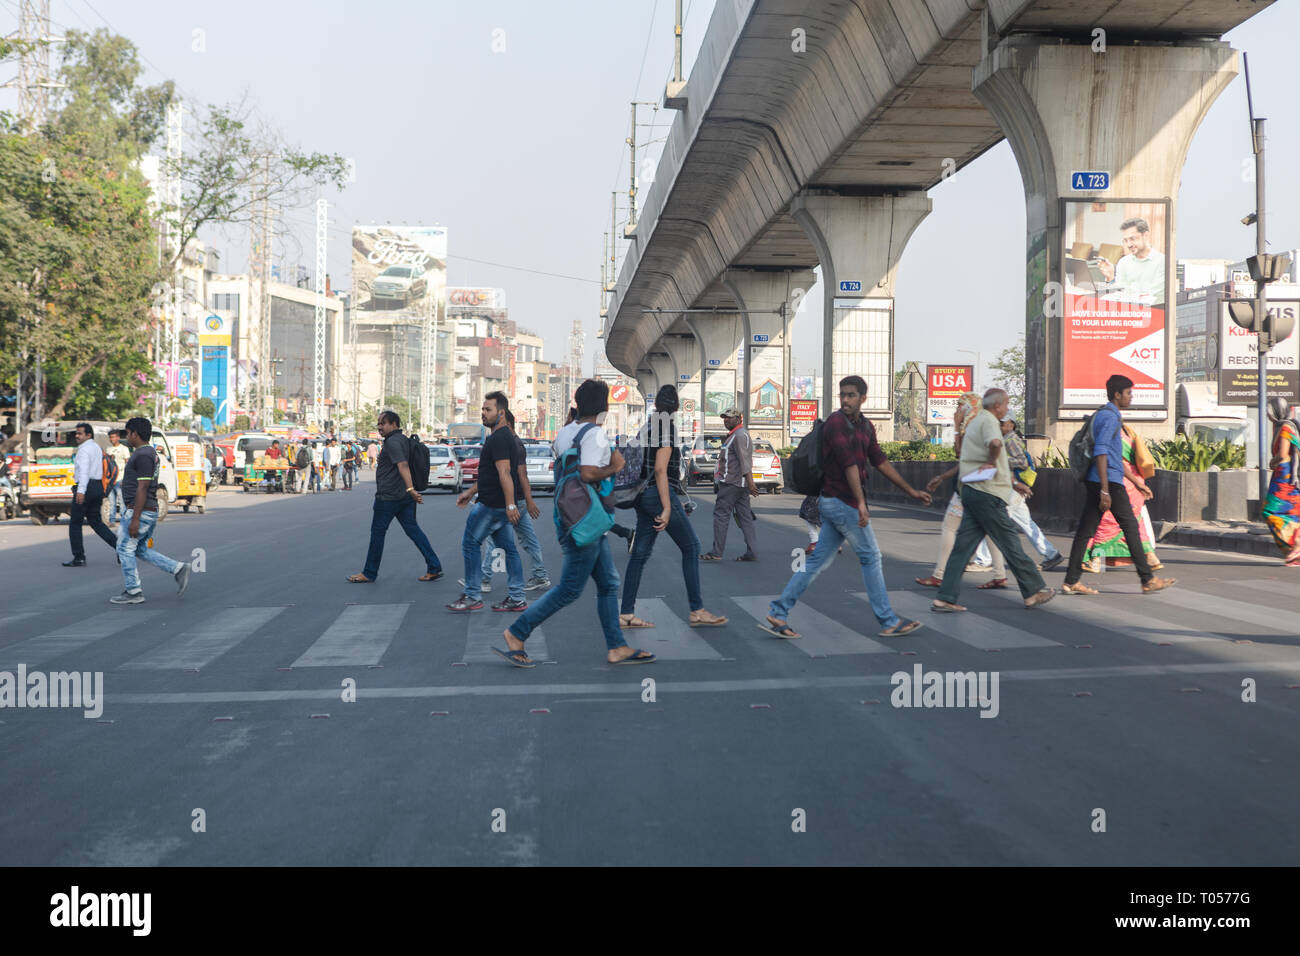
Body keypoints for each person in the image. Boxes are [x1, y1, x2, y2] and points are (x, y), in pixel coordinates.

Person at [495, 379, 655, 667]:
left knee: (608, 582)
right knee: (570, 588)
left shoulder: (566, 432)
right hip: (585, 520)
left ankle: (617, 646)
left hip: (574, 517)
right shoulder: (594, 435)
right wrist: (615, 467)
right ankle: (517, 632)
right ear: (604, 407)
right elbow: (588, 473)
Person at [762, 376, 931, 639]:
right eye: (842, 395)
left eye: (851, 395)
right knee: (871, 557)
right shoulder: (836, 423)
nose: (845, 400)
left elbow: (880, 461)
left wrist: (911, 491)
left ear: (863, 398)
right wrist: (861, 504)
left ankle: (779, 610)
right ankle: (888, 620)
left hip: (836, 504)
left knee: (817, 560)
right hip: (842, 502)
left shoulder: (865, 426)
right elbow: (849, 464)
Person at [930, 390, 1056, 612]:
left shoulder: (975, 423)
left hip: (971, 490)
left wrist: (1010, 481)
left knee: (962, 548)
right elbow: (996, 445)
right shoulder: (989, 421)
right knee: (1010, 542)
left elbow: (967, 457)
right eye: (1006, 404)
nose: (1007, 409)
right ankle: (1034, 590)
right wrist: (991, 464)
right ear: (997, 405)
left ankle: (945, 597)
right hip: (988, 493)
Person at [619, 385, 729, 629]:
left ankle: (626, 612)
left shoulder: (648, 424)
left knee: (639, 555)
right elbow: (660, 469)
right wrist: (668, 507)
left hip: (641, 495)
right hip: (658, 495)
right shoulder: (665, 427)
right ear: (676, 407)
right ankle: (697, 609)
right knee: (691, 547)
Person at [1061, 375, 1176, 595]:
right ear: (1117, 394)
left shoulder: (1107, 415)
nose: (1131, 397)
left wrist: (1136, 483)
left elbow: (1114, 457)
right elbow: (1101, 452)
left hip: (1105, 480)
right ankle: (1147, 579)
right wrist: (1105, 489)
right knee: (1130, 527)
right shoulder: (1110, 418)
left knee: (1086, 531)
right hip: (1107, 483)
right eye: (1128, 393)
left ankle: (1071, 581)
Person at [915, 396, 1009, 589]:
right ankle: (1000, 574)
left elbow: (960, 454)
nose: (957, 410)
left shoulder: (972, 426)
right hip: (982, 484)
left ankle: (940, 575)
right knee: (990, 531)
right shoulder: (982, 422)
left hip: (971, 486)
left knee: (950, 527)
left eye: (960, 406)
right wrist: (942, 477)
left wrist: (957, 427)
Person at [446, 392, 527, 613]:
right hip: (497, 503)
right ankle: (517, 597)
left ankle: (472, 595)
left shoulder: (499, 438)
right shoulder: (502, 437)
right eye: (482, 409)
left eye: (488, 409)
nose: (483, 413)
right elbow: (490, 474)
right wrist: (470, 492)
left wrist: (510, 505)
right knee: (509, 550)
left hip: (492, 505)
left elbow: (504, 473)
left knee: (470, 544)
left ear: (501, 413)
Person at [345, 410, 443, 584]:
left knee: (377, 533)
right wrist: (409, 491)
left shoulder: (393, 443)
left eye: (383, 423)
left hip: (389, 496)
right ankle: (434, 566)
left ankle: (369, 572)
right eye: (379, 424)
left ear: (394, 424)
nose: (380, 427)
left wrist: (411, 489)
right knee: (413, 530)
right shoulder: (404, 440)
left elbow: (403, 465)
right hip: (404, 496)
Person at [462, 409, 551, 593]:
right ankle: (540, 575)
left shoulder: (511, 444)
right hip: (517, 501)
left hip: (511, 501)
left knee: (494, 540)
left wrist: (526, 501)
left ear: (506, 422)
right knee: (526, 539)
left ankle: (484, 580)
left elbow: (519, 474)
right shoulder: (514, 443)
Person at [110, 417, 193, 604]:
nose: (127, 437)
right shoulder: (146, 453)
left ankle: (133, 591)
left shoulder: (143, 455)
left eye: (128, 433)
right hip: (145, 509)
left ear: (135, 434)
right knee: (139, 549)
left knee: (124, 548)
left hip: (140, 510)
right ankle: (178, 569)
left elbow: (143, 487)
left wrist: (135, 519)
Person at [1081, 422, 1162, 573]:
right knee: (1135, 523)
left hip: (1120, 483)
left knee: (1106, 523)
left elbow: (1116, 462)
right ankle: (1151, 557)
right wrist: (1139, 483)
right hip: (1136, 484)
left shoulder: (1109, 436)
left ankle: (1096, 560)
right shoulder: (1130, 433)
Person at [1000, 416, 1065, 573]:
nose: (999, 426)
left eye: (1001, 423)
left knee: (994, 520)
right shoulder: (1007, 438)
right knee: (1025, 523)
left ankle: (984, 559)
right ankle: (1051, 554)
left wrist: (999, 460)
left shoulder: (1010, 439)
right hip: (1011, 486)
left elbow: (1021, 462)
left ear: (1010, 424)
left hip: (1013, 487)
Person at [700, 407, 759, 561]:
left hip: (732, 483)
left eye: (730, 417)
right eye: (724, 418)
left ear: (739, 418)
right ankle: (751, 552)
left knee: (721, 515)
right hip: (738, 483)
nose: (726, 420)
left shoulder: (739, 435)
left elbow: (744, 460)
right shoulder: (734, 435)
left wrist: (751, 482)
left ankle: (716, 553)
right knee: (745, 517)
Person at [63, 422, 117, 567]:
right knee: (96, 522)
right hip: (97, 487)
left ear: (88, 435)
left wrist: (81, 491)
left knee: (75, 523)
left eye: (80, 433)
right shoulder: (96, 448)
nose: (77, 436)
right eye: (76, 433)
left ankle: (79, 557)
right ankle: (120, 548)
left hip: (86, 488)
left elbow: (85, 472)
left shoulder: (84, 450)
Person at [1262, 396, 1300, 567]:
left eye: (1269, 410)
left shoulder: (1285, 428)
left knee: (1271, 511)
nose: (1268, 414)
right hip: (1283, 475)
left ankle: (1295, 545)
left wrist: (1272, 462)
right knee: (1291, 513)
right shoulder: (1281, 427)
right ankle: (1295, 549)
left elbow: (1283, 454)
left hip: (1285, 476)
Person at [1096, 217, 1165, 304]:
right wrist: (1111, 278)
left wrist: (1125, 293)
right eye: (1125, 240)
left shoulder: (1163, 262)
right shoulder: (1123, 262)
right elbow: (1119, 293)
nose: (1128, 245)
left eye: (1132, 239)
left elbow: (1150, 296)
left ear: (1146, 235)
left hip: (1153, 312)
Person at [106, 428, 131, 524]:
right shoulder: (108, 449)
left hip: (120, 478)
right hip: (111, 480)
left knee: (121, 501)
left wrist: (126, 479)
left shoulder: (124, 449)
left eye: (113, 437)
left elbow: (128, 464)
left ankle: (124, 519)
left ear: (118, 438)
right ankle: (112, 520)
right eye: (110, 437)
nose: (111, 439)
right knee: (112, 502)